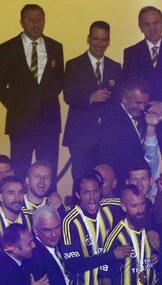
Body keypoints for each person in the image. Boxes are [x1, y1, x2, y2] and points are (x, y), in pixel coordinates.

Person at [0, 4, 64, 187]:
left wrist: (43, 101)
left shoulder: (55, 47)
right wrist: (18, 106)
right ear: (22, 22)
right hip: (20, 122)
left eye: (40, 20)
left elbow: (58, 82)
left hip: (49, 122)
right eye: (31, 20)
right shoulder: (7, 48)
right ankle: (18, 203)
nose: (36, 24)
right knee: (20, 168)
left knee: (48, 172)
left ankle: (49, 204)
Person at [63, 20, 122, 181]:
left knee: (105, 179)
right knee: (81, 179)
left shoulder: (115, 67)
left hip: (107, 136)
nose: (99, 44)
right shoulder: (73, 65)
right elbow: (68, 95)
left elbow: (119, 100)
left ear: (108, 41)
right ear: (88, 39)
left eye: (104, 40)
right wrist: (89, 98)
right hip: (81, 135)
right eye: (96, 39)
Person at [122, 6, 162, 141]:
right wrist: (149, 109)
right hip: (142, 118)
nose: (152, 28)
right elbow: (130, 86)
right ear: (140, 27)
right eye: (146, 24)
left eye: (156, 23)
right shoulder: (131, 53)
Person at [96, 77, 162, 188]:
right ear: (125, 99)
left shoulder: (145, 115)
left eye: (145, 103)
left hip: (142, 183)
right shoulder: (110, 119)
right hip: (122, 184)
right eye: (138, 103)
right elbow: (111, 159)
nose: (142, 107)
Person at [0, 176, 32, 264]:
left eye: (20, 193)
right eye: (11, 193)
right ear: (1, 197)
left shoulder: (30, 216)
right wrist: (3, 248)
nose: (17, 198)